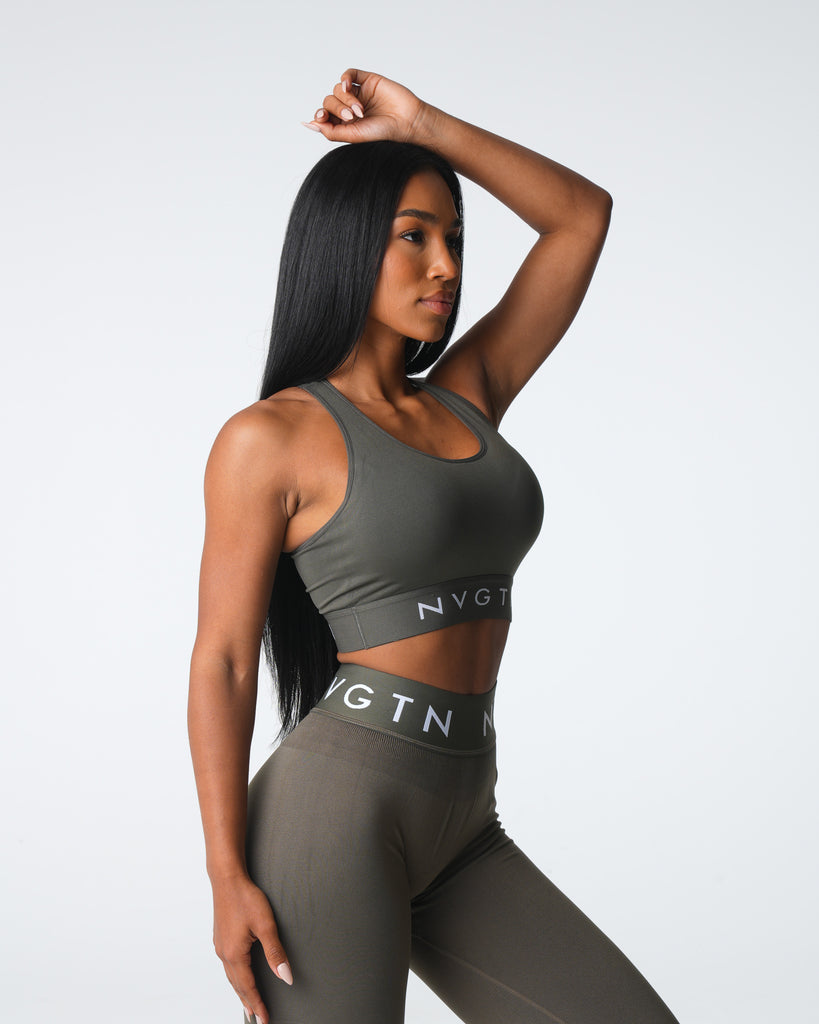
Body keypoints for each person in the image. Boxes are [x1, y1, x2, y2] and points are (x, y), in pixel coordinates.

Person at [188, 68, 679, 1024]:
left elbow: (579, 217)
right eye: (413, 236)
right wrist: (223, 873)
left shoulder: (467, 395)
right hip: (333, 816)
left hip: (463, 817)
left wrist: (421, 124)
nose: (445, 266)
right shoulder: (269, 438)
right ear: (345, 245)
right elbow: (224, 661)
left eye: (454, 238)